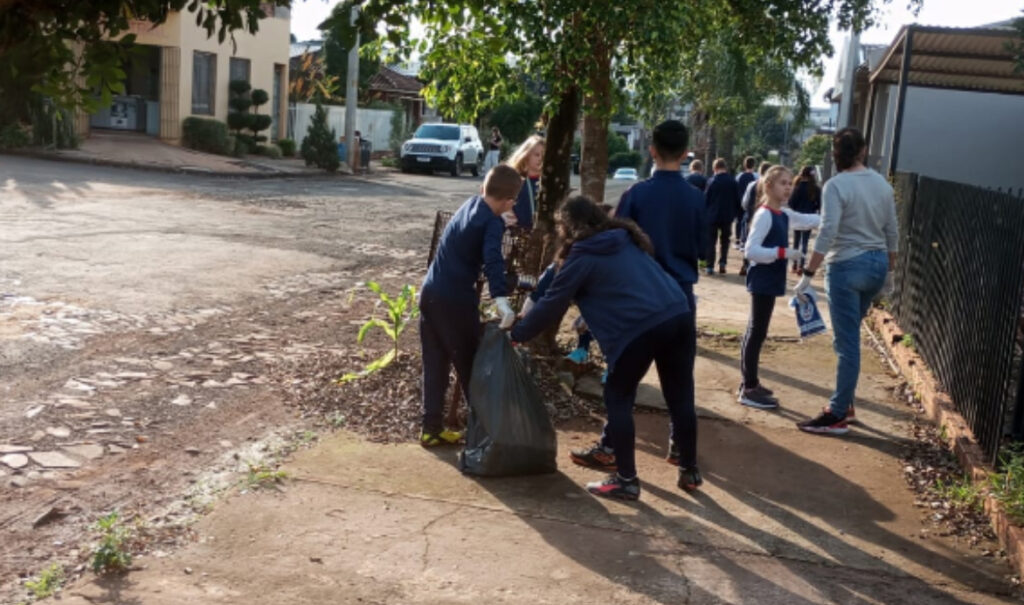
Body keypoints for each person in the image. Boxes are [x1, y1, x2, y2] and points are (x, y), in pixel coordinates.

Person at [511, 196, 700, 500]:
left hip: (639, 328)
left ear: (567, 227)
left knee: (618, 395)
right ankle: (689, 469)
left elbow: (551, 304)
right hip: (678, 312)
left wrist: (518, 333)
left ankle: (625, 479)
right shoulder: (626, 238)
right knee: (679, 395)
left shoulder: (582, 256)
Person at [614, 119, 706, 466]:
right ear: (685, 154)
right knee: (681, 384)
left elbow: (619, 244)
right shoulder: (696, 197)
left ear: (652, 150)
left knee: (622, 382)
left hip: (642, 296)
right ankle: (683, 453)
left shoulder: (636, 195)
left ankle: (612, 447)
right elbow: (703, 248)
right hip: (680, 298)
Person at [795, 128, 899, 435]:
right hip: (876, 264)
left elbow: (828, 231)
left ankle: (837, 413)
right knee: (850, 335)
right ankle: (846, 402)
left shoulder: (835, 185)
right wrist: (890, 269)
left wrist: (809, 273)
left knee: (847, 343)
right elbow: (892, 229)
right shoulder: (881, 184)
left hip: (846, 266)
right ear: (863, 151)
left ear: (836, 153)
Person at [418, 164, 522, 446]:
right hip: (454, 300)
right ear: (510, 201)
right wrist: (501, 300)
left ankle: (431, 429)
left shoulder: (470, 205)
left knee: (435, 362)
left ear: (483, 189)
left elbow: (476, 240)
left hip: (430, 292)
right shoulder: (492, 222)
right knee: (471, 366)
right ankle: (484, 435)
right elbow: (493, 259)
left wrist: (499, 219)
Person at [739, 166, 821, 409]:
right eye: (782, 183)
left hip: (771, 278)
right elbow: (750, 250)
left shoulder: (782, 213)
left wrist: (835, 216)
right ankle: (749, 387)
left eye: (789, 183)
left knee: (757, 330)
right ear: (768, 186)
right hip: (763, 278)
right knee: (756, 331)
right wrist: (782, 252)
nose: (788, 187)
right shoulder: (765, 214)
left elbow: (807, 220)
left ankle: (750, 382)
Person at [704, 158, 741, 275]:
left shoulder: (711, 181)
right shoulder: (733, 182)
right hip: (727, 216)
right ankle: (723, 263)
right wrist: (735, 213)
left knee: (711, 241)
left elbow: (706, 199)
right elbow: (737, 200)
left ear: (715, 168)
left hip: (713, 216)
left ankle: (709, 266)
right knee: (725, 241)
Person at [738, 162, 772, 276]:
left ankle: (746, 264)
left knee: (749, 242)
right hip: (768, 219)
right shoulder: (772, 188)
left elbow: (744, 203)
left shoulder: (752, 185)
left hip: (752, 218)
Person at [505, 135, 545, 229]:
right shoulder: (515, 179)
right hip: (519, 233)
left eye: (544, 155)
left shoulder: (549, 181)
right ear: (526, 155)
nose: (540, 159)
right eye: (536, 155)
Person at [787, 165, 822, 273]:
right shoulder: (816, 188)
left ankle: (794, 264)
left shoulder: (796, 187)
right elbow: (819, 204)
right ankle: (802, 265)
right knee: (805, 242)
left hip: (797, 216)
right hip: (809, 217)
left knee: (796, 242)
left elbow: (791, 203)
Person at [735, 156, 758, 248]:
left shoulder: (739, 176)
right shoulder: (756, 176)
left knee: (739, 221)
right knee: (749, 222)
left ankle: (738, 240)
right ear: (754, 165)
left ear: (744, 165)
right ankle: (747, 240)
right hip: (751, 204)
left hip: (740, 200)